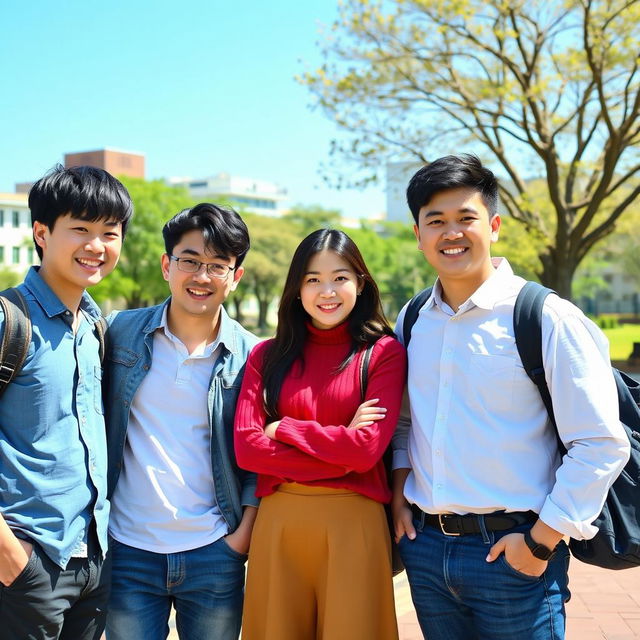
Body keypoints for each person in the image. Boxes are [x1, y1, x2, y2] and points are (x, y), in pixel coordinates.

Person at [391, 154, 631, 640]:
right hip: (427, 549)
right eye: (435, 221)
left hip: (513, 551)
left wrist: (540, 544)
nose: (450, 233)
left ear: (494, 225)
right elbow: (402, 423)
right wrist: (399, 496)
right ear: (418, 235)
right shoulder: (413, 318)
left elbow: (600, 444)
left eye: (466, 218)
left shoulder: (545, 317)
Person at [234, 228, 406, 640]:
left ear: (361, 283)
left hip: (355, 528)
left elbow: (365, 452)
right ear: (296, 289)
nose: (327, 291)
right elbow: (248, 449)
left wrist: (285, 428)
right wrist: (339, 444)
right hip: (279, 527)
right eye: (313, 279)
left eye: (340, 277)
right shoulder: (266, 355)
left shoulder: (384, 353)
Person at [104, 203, 259, 640]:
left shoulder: (253, 356)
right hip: (128, 548)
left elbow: (258, 459)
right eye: (190, 261)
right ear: (166, 265)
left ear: (236, 276)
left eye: (217, 266)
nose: (202, 276)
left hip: (214, 551)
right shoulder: (118, 333)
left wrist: (240, 539)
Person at [0, 165, 133, 639]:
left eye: (109, 233)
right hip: (26, 560)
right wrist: (13, 561)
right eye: (80, 229)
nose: (96, 246)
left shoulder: (96, 326)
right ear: (41, 232)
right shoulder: (9, 320)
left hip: (94, 558)